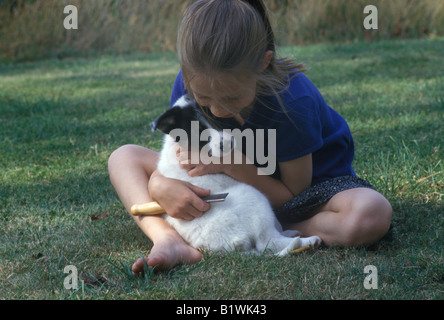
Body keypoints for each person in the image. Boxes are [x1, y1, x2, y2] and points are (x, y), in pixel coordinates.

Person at [108, 0, 392, 276]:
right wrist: (160, 184)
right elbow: (180, 159)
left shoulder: (293, 103)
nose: (217, 109)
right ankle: (166, 238)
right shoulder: (189, 87)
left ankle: (278, 228)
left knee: (371, 213)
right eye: (204, 98)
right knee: (124, 158)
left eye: (232, 97)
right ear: (186, 72)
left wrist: (231, 164)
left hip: (310, 194)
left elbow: (293, 194)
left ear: (263, 63)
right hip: (229, 191)